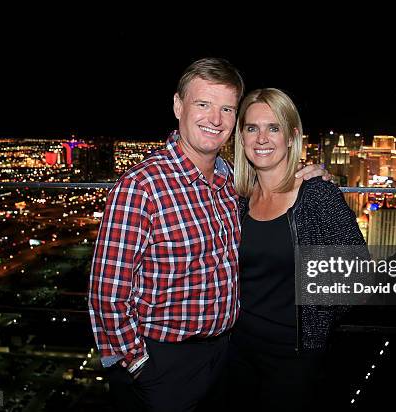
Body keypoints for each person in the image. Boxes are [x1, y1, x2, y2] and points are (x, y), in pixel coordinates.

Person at [88, 58, 329, 411]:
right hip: (163, 364)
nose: (215, 119)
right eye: (203, 104)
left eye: (227, 109)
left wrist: (305, 176)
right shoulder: (142, 187)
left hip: (227, 357)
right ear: (177, 106)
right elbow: (106, 294)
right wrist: (138, 365)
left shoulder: (230, 180)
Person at [229, 88, 366, 410]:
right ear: (242, 137)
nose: (262, 138)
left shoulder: (317, 196)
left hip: (292, 357)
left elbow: (356, 277)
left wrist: (315, 324)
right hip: (235, 351)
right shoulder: (238, 199)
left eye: (273, 128)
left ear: (291, 137)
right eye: (252, 128)